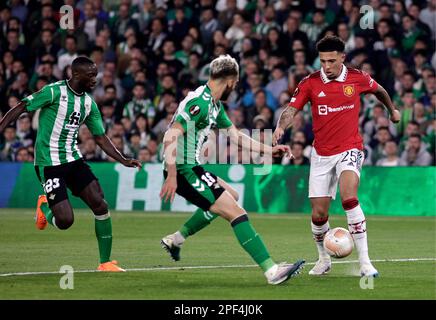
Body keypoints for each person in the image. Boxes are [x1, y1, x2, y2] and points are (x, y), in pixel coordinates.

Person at [159, 55, 305, 285]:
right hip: (183, 169)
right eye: (235, 83)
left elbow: (236, 136)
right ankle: (271, 270)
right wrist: (172, 175)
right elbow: (171, 135)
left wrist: (270, 150)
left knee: (233, 197)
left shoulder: (214, 105)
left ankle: (176, 239)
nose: (235, 87)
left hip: (192, 166)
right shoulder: (200, 103)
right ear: (229, 80)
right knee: (236, 212)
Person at [273, 36, 401, 277]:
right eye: (323, 61)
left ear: (342, 57)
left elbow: (380, 90)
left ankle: (365, 262)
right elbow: (291, 109)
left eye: (332, 61)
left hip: (350, 149)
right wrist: (281, 126)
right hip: (321, 154)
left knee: (349, 198)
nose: (327, 66)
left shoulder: (357, 78)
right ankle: (323, 260)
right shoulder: (310, 83)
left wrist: (391, 110)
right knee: (319, 214)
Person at [0, 56, 142, 272]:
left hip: (73, 159)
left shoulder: (88, 103)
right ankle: (46, 207)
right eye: (91, 75)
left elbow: (100, 137)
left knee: (99, 203)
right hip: (49, 163)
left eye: (96, 74)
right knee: (65, 221)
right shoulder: (53, 91)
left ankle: (105, 263)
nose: (95, 79)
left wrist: (123, 159)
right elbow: (21, 107)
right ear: (76, 74)